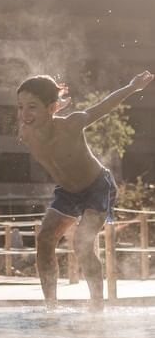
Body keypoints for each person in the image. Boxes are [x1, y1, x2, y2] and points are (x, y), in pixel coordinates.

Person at [16, 69, 153, 310]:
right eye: (20, 107)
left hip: (98, 187)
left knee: (82, 242)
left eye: (32, 107)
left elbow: (104, 106)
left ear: (51, 108)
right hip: (67, 192)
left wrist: (132, 87)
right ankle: (51, 306)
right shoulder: (26, 133)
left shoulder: (72, 124)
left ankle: (97, 305)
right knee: (45, 238)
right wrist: (52, 107)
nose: (24, 114)